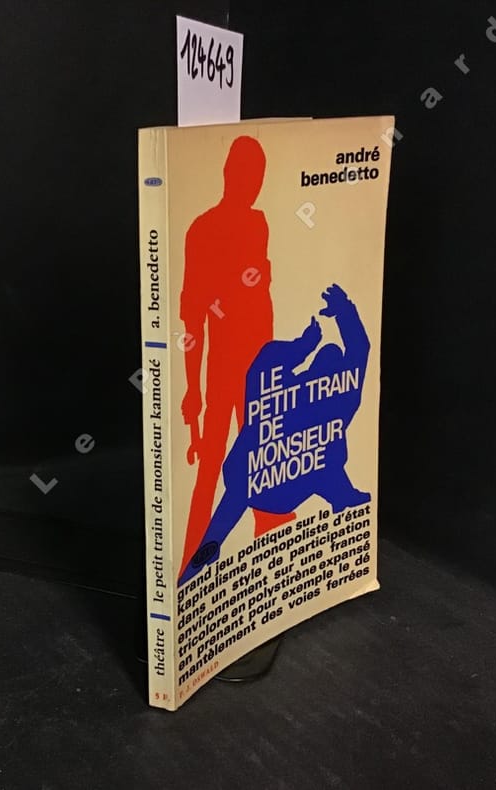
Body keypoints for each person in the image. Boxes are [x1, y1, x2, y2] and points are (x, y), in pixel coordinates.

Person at [178, 284, 371, 586]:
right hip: (291, 491)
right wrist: (344, 311)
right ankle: (342, 496)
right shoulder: (346, 397)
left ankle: (210, 545)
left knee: (240, 491)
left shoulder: (279, 386)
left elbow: (265, 360)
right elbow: (360, 349)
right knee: (326, 460)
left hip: (250, 484)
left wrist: (303, 346)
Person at [179, 136, 293, 579]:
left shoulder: (258, 224)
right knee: (211, 465)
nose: (253, 186)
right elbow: (194, 316)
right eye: (246, 176)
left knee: (261, 458)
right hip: (223, 369)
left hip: (258, 369)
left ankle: (270, 540)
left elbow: (260, 301)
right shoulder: (202, 230)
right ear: (228, 174)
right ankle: (191, 562)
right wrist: (192, 388)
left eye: (258, 178)